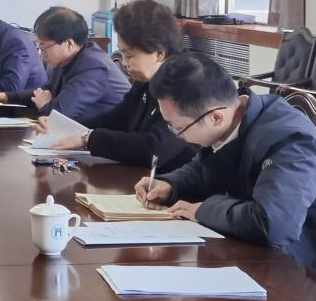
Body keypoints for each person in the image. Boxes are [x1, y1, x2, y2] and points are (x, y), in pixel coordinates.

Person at [134, 51, 316, 268]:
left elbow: (272, 224)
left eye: (178, 128)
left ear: (215, 117)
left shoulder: (290, 140)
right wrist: (170, 185)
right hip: (248, 251)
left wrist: (204, 210)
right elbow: (203, 169)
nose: (176, 135)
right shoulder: (234, 119)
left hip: (295, 266)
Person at [38, 0, 196, 171]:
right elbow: (116, 119)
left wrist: (89, 139)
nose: (124, 63)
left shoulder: (185, 84)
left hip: (172, 182)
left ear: (159, 53)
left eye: (129, 56)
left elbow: (154, 149)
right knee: (58, 172)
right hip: (140, 175)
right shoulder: (145, 81)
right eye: (122, 53)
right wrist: (65, 128)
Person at [0, 7, 129, 120]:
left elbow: (62, 115)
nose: (41, 53)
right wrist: (1, 97)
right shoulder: (67, 60)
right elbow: (43, 91)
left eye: (43, 47)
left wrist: (45, 105)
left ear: (68, 44)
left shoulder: (93, 66)